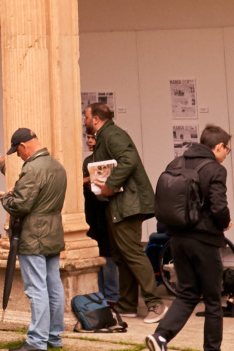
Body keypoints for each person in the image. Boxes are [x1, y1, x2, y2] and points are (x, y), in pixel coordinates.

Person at [145, 125, 232, 351]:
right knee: (213, 300)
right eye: (227, 151)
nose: (226, 156)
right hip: (204, 240)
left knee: (187, 293)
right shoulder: (215, 169)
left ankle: (161, 337)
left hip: (176, 239)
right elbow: (219, 206)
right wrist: (225, 222)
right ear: (219, 146)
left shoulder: (175, 163)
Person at [84, 103, 162, 323]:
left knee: (133, 253)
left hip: (128, 205)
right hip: (120, 204)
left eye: (86, 116)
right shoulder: (106, 135)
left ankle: (155, 304)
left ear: (96, 119)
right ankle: (127, 304)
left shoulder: (113, 134)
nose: (84, 121)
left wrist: (110, 184)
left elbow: (129, 160)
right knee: (121, 254)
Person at [0, 127, 66, 351]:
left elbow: (21, 205)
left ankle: (36, 342)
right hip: (53, 232)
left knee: (37, 290)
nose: (19, 156)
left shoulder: (33, 169)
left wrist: (6, 198)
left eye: (17, 152)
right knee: (54, 287)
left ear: (23, 146)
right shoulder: (57, 165)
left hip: (34, 236)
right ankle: (54, 337)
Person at [82, 128, 121, 304]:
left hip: (107, 209)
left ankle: (112, 295)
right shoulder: (88, 161)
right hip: (92, 210)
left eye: (93, 138)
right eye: (88, 138)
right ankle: (100, 294)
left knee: (108, 254)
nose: (89, 141)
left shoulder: (111, 160)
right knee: (97, 252)